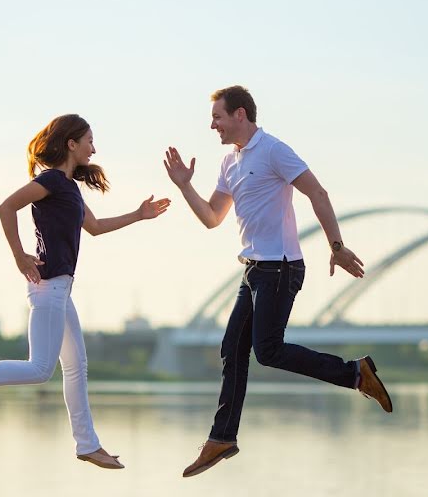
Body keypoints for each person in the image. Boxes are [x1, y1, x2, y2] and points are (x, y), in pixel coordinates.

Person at [164, 85, 392, 478]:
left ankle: (356, 374)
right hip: (253, 268)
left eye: (217, 116)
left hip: (281, 267)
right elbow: (212, 217)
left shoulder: (273, 150)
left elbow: (316, 191)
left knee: (267, 350)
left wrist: (336, 245)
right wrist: (185, 185)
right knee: (232, 349)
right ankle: (222, 437)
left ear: (240, 114)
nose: (211, 124)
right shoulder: (228, 163)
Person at [0, 114, 170, 470]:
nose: (95, 147)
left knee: (76, 367)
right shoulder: (48, 181)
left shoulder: (69, 187)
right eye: (90, 140)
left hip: (61, 290)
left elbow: (95, 227)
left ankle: (88, 444)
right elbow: (6, 206)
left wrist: (139, 214)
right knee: (41, 368)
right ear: (71, 143)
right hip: (47, 288)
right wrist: (18, 255)